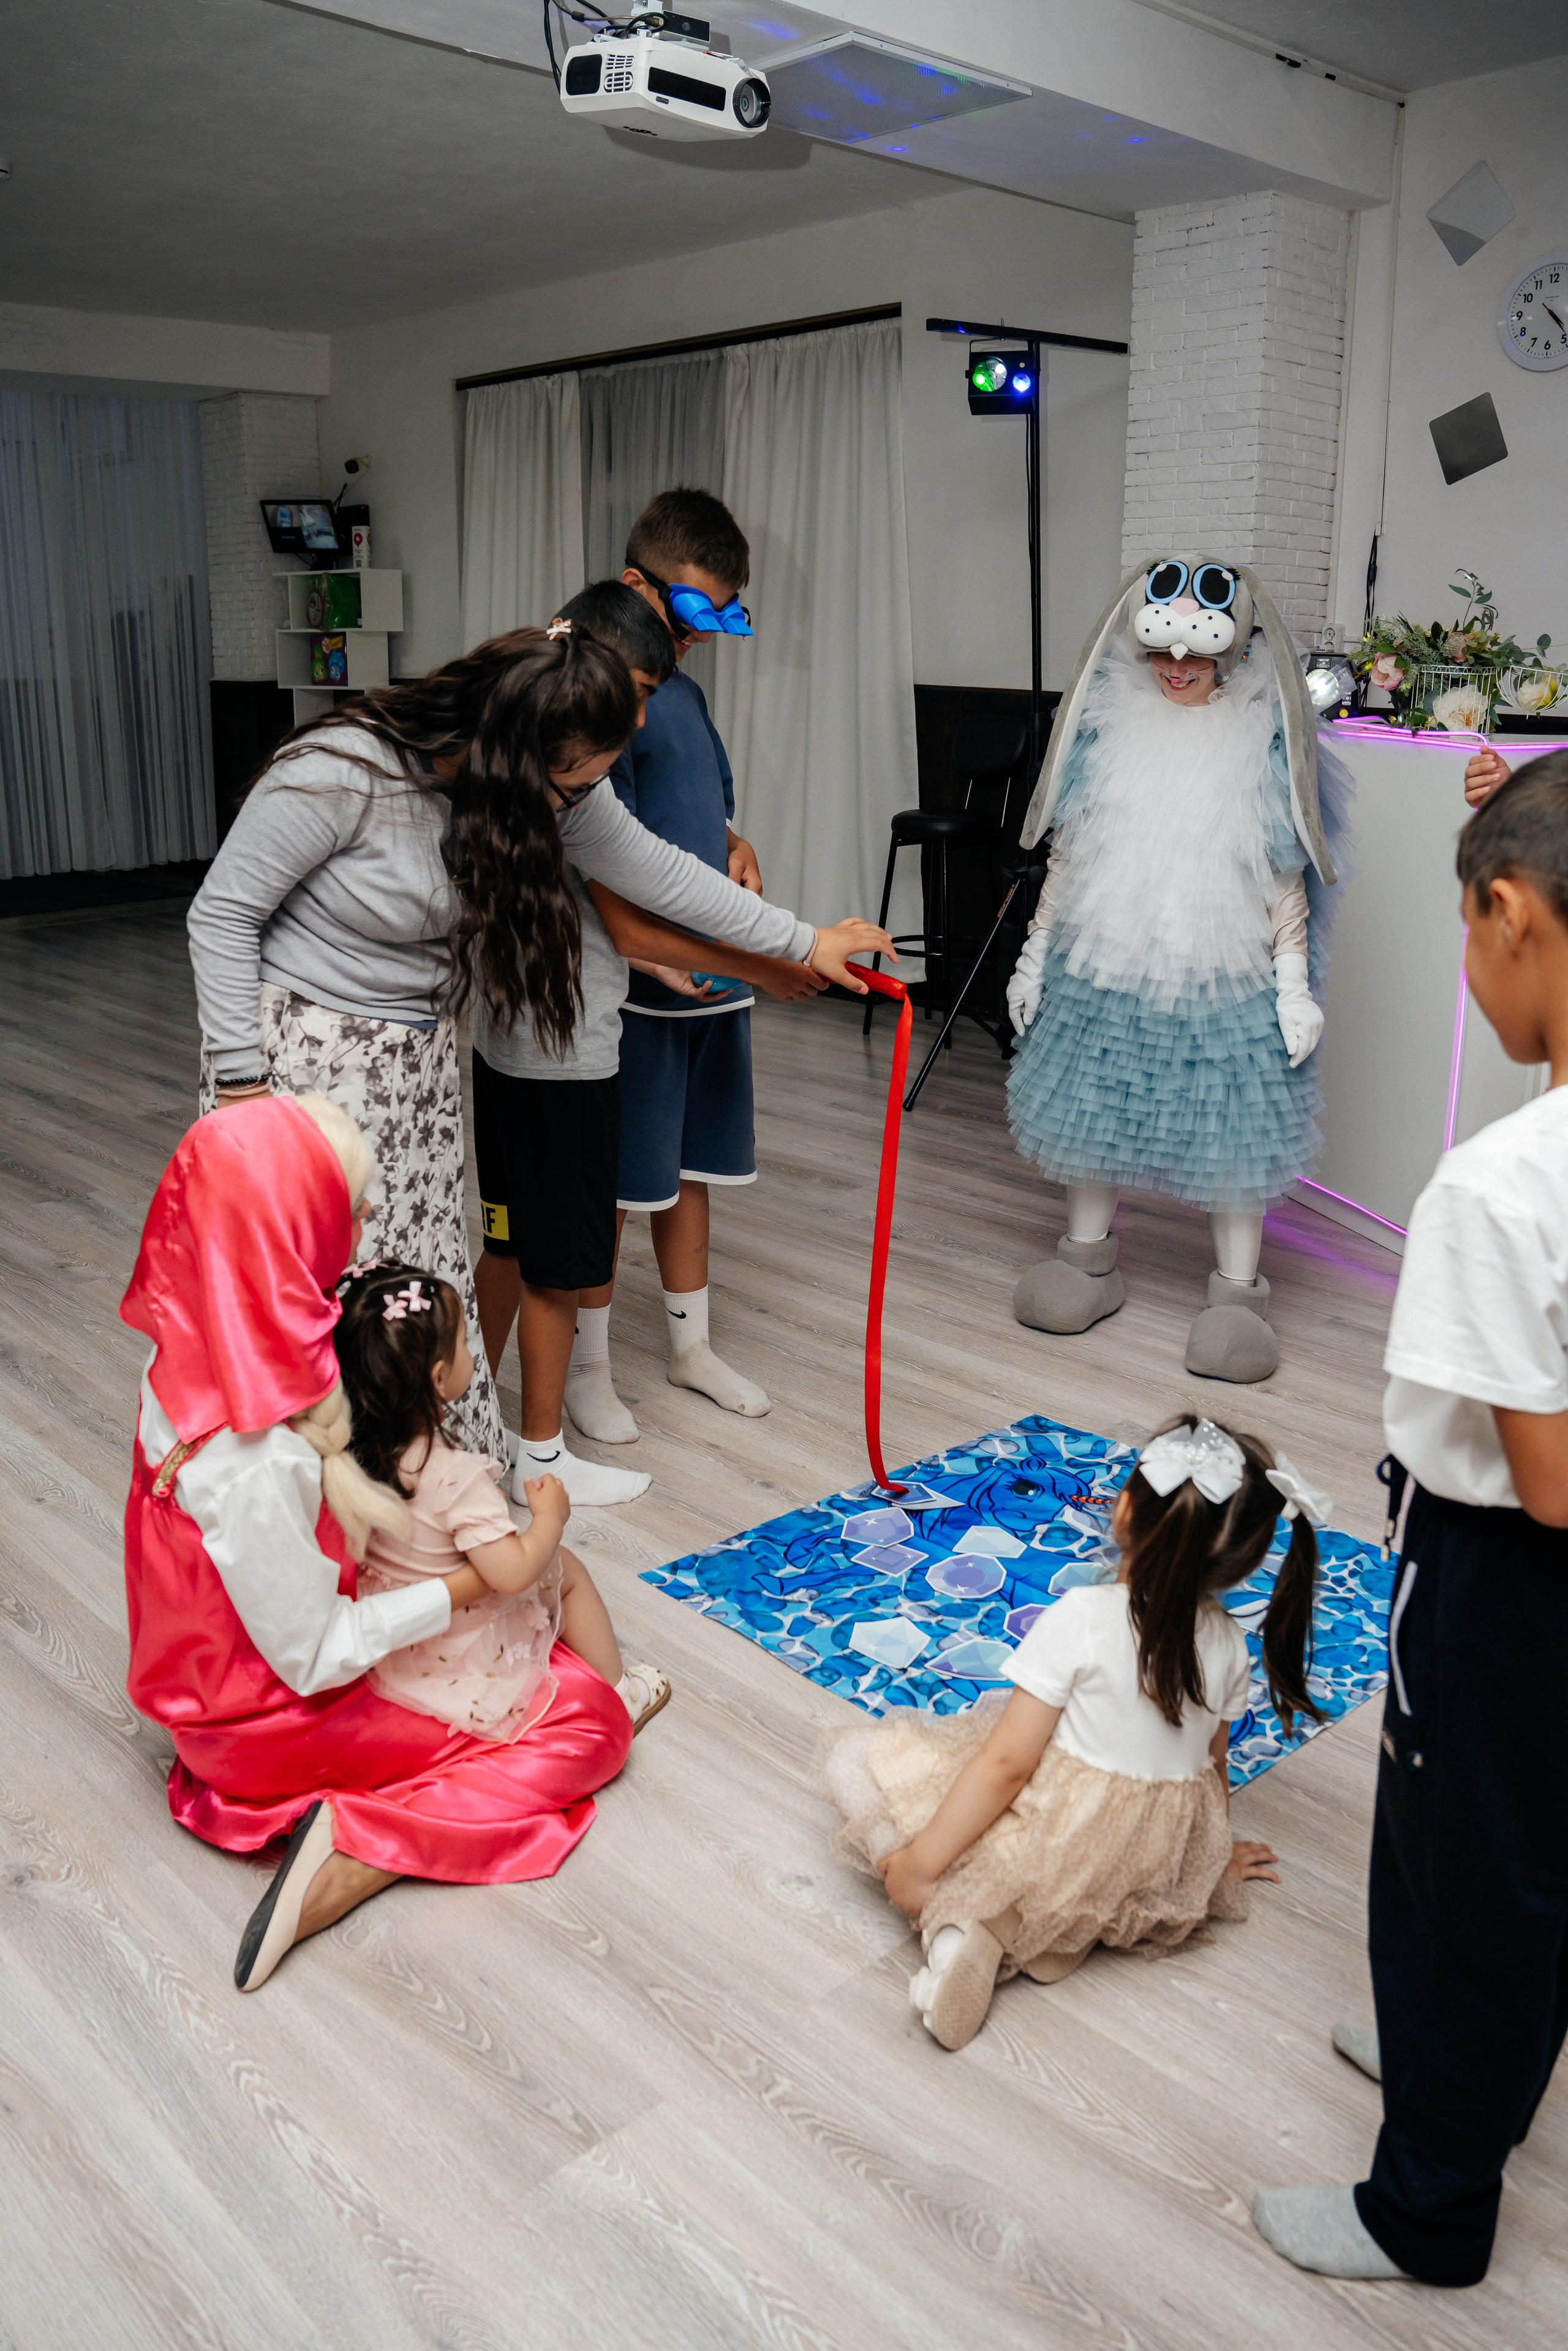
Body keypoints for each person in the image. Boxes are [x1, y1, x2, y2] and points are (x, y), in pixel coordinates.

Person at [189, 627, 890, 1498]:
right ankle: (296, 1497)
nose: (577, 807)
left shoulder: (549, 786)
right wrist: (244, 1091)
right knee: (320, 1291)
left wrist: (804, 938)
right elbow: (220, 916)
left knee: (414, 1292)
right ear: (509, 754)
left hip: (418, 1068)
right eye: (569, 787)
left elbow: (660, 871)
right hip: (303, 1066)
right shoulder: (342, 769)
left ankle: (409, 1486)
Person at [1254, 749, 1568, 2287]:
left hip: (1501, 1573)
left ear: (1505, 911)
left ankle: (1426, 2205)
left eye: (1462, 923)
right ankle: (1464, 2058)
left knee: (1455, 1861)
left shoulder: (1500, 1187)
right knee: (1535, 1854)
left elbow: (1547, 1476)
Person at [120, 1092, 634, 1994]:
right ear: (288, 1231)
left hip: (212, 1693)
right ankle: (362, 1851)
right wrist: (469, 1588)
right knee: (594, 1721)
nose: (360, 1231)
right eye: (346, 1210)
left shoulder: (193, 1355)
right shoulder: (253, 1458)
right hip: (257, 1724)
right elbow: (316, 1654)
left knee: (537, 1665)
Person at [461, 614, 892, 1506]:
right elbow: (650, 889)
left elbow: (672, 870)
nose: (593, 790)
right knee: (557, 1267)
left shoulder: (517, 787)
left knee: (507, 1244)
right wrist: (797, 945)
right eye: (590, 773)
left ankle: (469, 1440)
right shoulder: (545, 798)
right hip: (560, 1064)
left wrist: (794, 943)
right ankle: (540, 1463)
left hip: (504, 1055)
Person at [826, 1414, 1324, 2050]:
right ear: (1240, 1563)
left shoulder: (1082, 1618)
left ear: (1121, 1514)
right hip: (1146, 1864)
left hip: (1055, 1838)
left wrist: (920, 1868)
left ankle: (957, 1937)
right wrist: (1209, 1859)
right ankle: (1059, 1935)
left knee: (859, 1759)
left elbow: (1006, 1763)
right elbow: (1211, 1765)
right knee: (1074, 1864)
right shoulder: (1230, 1646)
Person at [1005, 560, 1352, 1381]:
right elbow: (1072, 853)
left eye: (1194, 650)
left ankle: (1236, 1299)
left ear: (1230, 648)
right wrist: (1033, 954)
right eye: (1163, 650)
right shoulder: (1108, 730)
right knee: (1091, 1105)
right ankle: (1087, 1261)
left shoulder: (1257, 743)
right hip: (1109, 955)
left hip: (1223, 964)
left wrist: (1293, 983)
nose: (1178, 665)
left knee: (1236, 1124)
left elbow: (1281, 872)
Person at [568, 488, 775, 1443]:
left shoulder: (683, 696)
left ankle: (691, 1346)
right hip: (639, 984)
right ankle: (587, 1366)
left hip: (707, 982)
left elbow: (707, 803)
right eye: (686, 611)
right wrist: (647, 957)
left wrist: (734, 842)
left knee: (689, 1171)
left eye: (715, 616)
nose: (696, 638)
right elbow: (597, 843)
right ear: (632, 584)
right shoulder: (601, 701)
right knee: (617, 1182)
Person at [333, 1257, 670, 1740]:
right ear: (439, 1377)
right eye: (464, 1344)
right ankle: (623, 1695)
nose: (473, 1352)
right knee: (567, 1568)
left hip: (392, 1643)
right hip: (454, 1655)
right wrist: (549, 1520)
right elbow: (511, 1575)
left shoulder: (347, 1454)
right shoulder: (454, 1475)